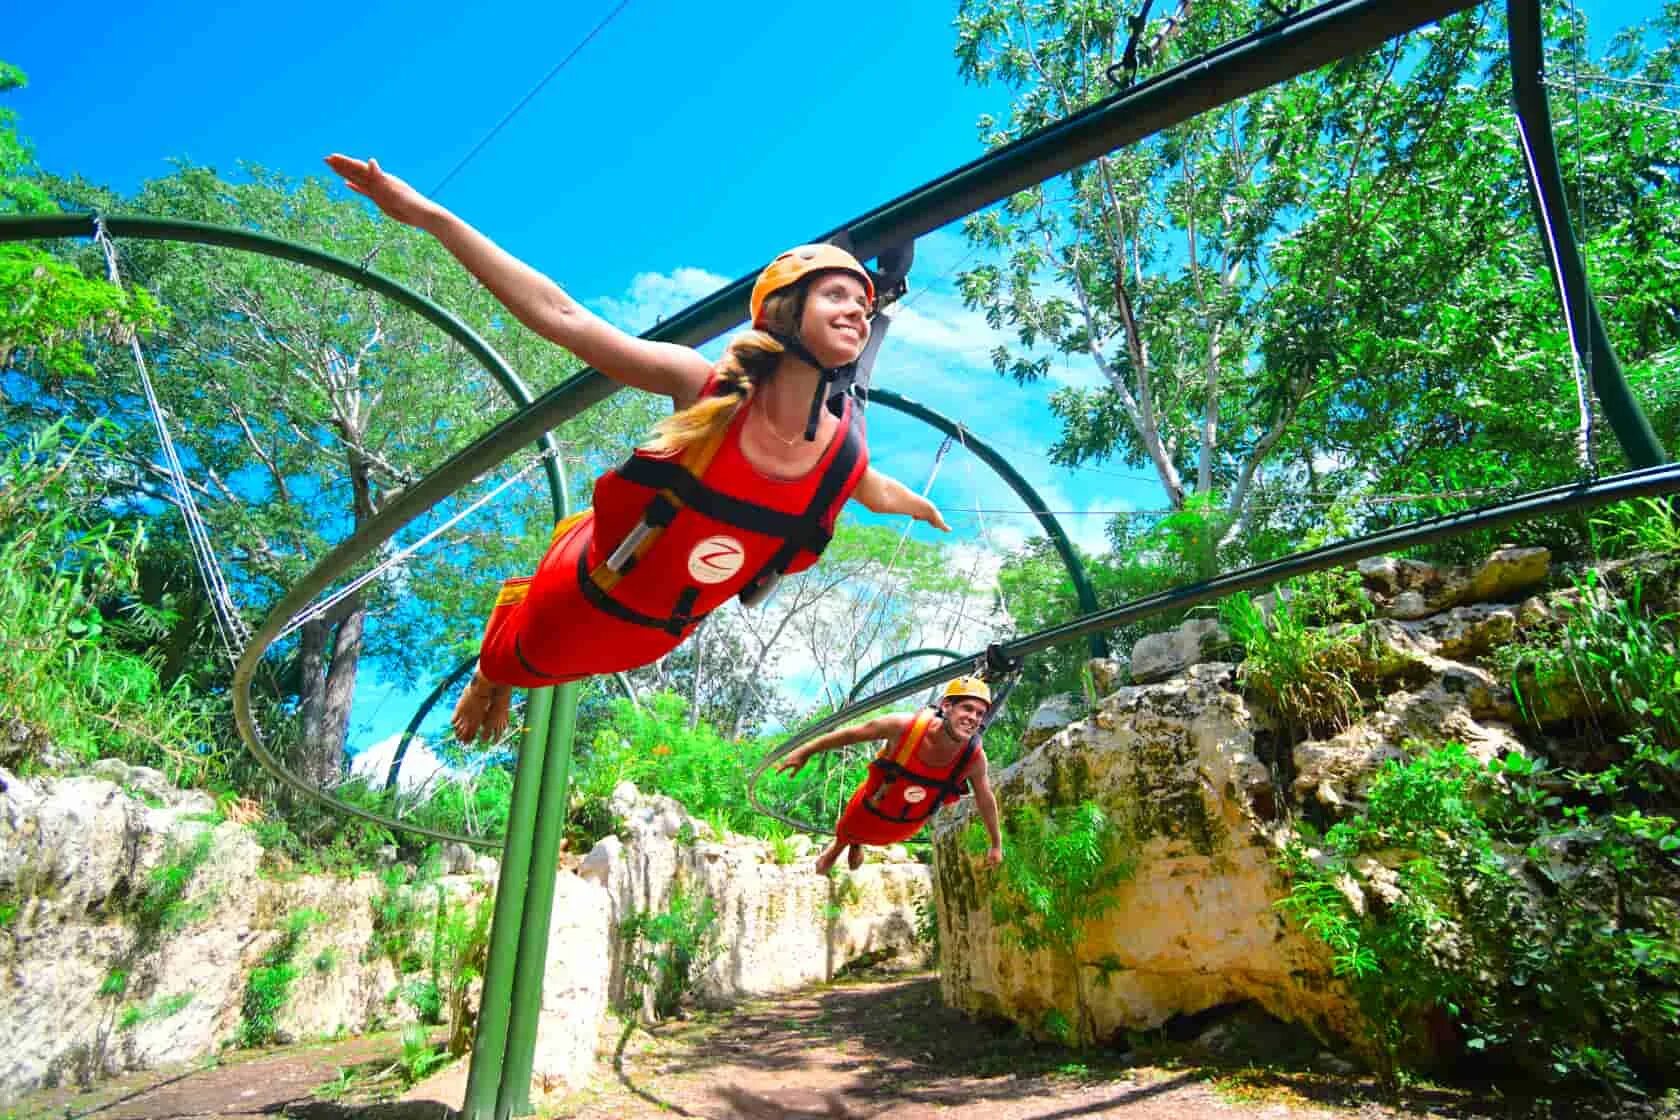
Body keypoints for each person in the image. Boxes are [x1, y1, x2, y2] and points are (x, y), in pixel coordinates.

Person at [324, 155, 950, 742]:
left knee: (559, 668)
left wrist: (914, 505)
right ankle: (489, 678)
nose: (858, 313)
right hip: (579, 600)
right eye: (836, 295)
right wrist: (430, 217)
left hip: (657, 635)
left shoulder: (842, 450)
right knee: (513, 660)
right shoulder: (699, 385)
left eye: (865, 304)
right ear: (786, 311)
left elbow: (872, 486)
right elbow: (563, 316)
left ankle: (503, 674)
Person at [773, 676, 1004, 874]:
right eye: (967, 708)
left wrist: (996, 843)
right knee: (846, 831)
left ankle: (855, 844)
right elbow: (851, 734)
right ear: (946, 706)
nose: (973, 717)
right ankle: (840, 848)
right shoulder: (904, 727)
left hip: (906, 824)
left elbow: (985, 799)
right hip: (870, 809)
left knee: (863, 835)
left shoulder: (973, 757)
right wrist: (805, 751)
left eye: (980, 714)